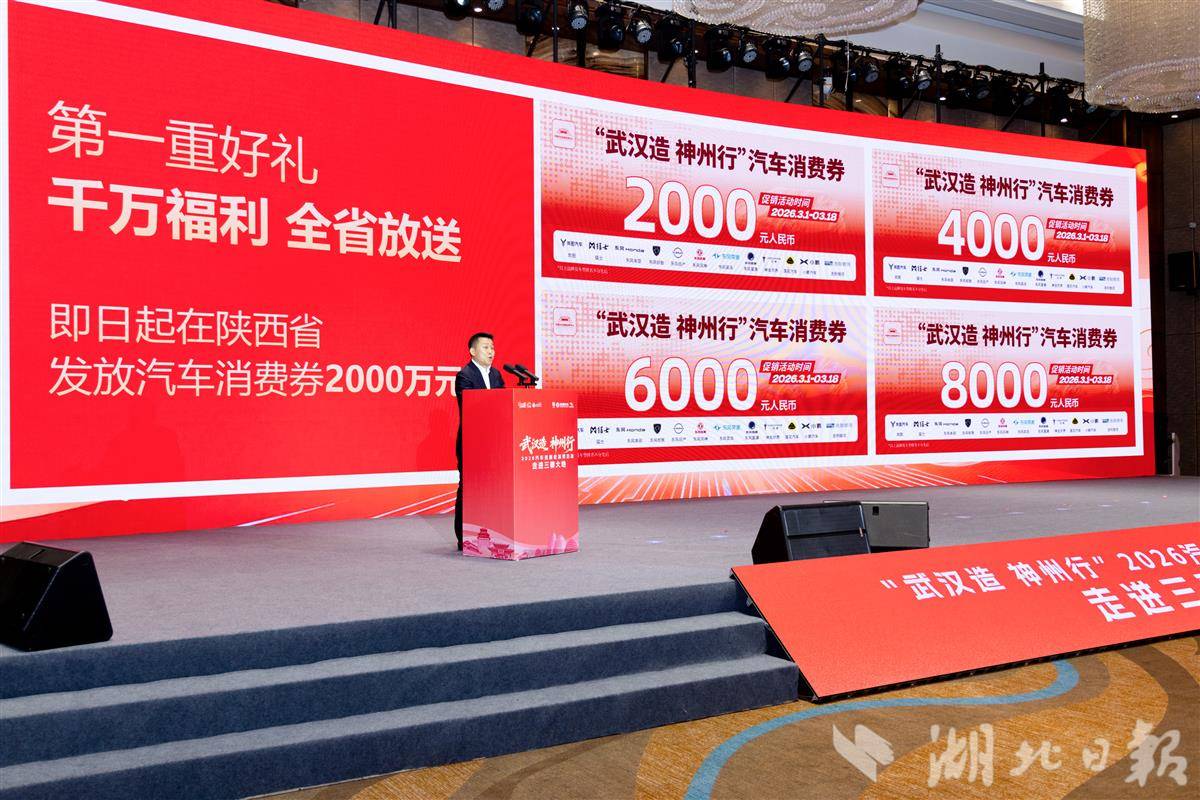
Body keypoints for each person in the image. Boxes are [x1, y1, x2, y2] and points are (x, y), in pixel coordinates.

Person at [453, 332, 505, 550]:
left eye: (492, 347)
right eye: (486, 347)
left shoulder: (497, 375)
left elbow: (503, 405)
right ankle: (463, 538)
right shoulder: (464, 375)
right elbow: (470, 407)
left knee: (492, 489)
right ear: (473, 351)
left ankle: (491, 532)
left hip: (494, 443)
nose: (491, 351)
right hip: (472, 443)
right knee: (468, 489)